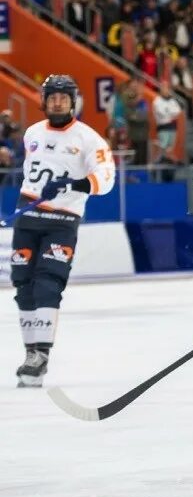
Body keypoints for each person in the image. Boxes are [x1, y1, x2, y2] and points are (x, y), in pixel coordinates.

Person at [12, 74, 115, 387]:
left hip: (63, 220)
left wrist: (73, 184)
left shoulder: (89, 138)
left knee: (47, 283)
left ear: (74, 101)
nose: (57, 102)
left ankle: (41, 353)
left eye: (63, 97)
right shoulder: (32, 132)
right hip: (28, 217)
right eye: (52, 97)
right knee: (23, 285)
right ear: (44, 101)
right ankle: (31, 353)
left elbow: (106, 178)